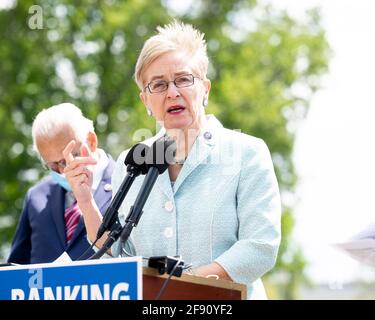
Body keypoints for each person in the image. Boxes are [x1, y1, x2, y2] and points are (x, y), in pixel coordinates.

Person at [63, 21, 281, 299]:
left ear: (205, 89)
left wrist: (180, 287)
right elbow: (115, 257)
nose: (172, 92)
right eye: (159, 84)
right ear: (145, 100)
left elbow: (260, 247)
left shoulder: (247, 152)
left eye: (183, 79)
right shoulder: (132, 162)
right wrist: (85, 200)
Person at [8, 103, 115, 264]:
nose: (63, 171)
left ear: (91, 141)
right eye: (52, 165)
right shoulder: (37, 197)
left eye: (68, 160)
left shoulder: (127, 184)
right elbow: (14, 270)